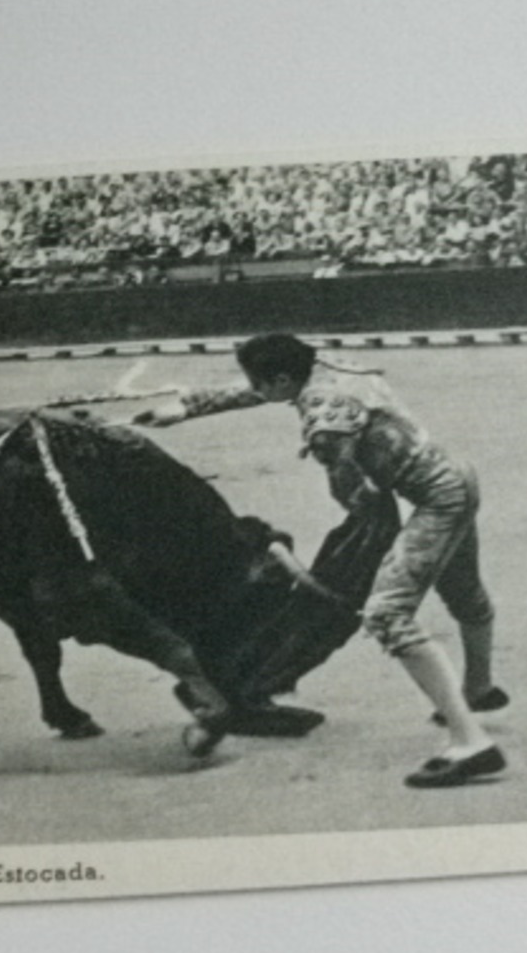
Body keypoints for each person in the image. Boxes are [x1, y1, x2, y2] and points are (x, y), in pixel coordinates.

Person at [138, 333, 508, 787]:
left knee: (388, 614)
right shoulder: (327, 364)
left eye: (260, 380)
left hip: (433, 500)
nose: (255, 388)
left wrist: (343, 560)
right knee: (463, 592)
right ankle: (479, 689)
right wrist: (187, 407)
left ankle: (472, 744)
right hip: (456, 476)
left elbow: (358, 496)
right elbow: (269, 388)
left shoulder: (324, 423)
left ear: (281, 378)